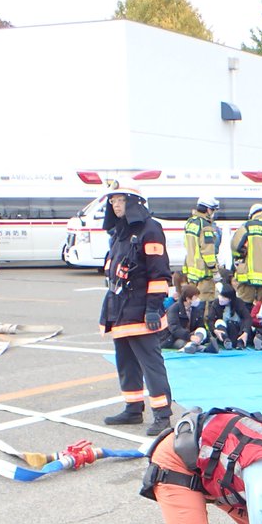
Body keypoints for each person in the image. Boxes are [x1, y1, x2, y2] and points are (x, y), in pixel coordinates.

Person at [99, 185, 173, 436]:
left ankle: (163, 415)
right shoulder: (119, 231)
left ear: (134, 203)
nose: (116, 205)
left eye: (120, 200)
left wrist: (153, 308)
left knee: (151, 364)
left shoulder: (150, 229)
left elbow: (159, 273)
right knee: (126, 362)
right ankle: (132, 408)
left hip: (142, 311)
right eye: (113, 201)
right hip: (120, 308)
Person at [183, 196, 220, 305]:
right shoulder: (206, 226)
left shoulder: (190, 222)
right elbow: (208, 251)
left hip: (192, 270)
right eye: (212, 210)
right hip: (204, 273)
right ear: (208, 210)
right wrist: (215, 270)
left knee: (192, 301)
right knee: (205, 303)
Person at [207, 279, 252, 349]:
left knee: (241, 322)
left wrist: (245, 332)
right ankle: (226, 341)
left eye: (224, 297)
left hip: (237, 328)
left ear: (230, 299)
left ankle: (240, 342)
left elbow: (247, 318)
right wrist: (214, 330)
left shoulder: (238, 303)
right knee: (219, 322)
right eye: (220, 296)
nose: (221, 299)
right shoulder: (216, 303)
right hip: (223, 329)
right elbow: (210, 319)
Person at [162, 283, 205, 349]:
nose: (198, 299)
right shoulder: (174, 309)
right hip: (174, 338)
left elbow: (201, 325)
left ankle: (194, 345)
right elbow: (174, 328)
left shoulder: (195, 309)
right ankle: (196, 347)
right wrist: (189, 336)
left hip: (191, 336)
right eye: (195, 297)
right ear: (188, 299)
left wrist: (199, 336)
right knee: (181, 343)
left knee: (202, 332)